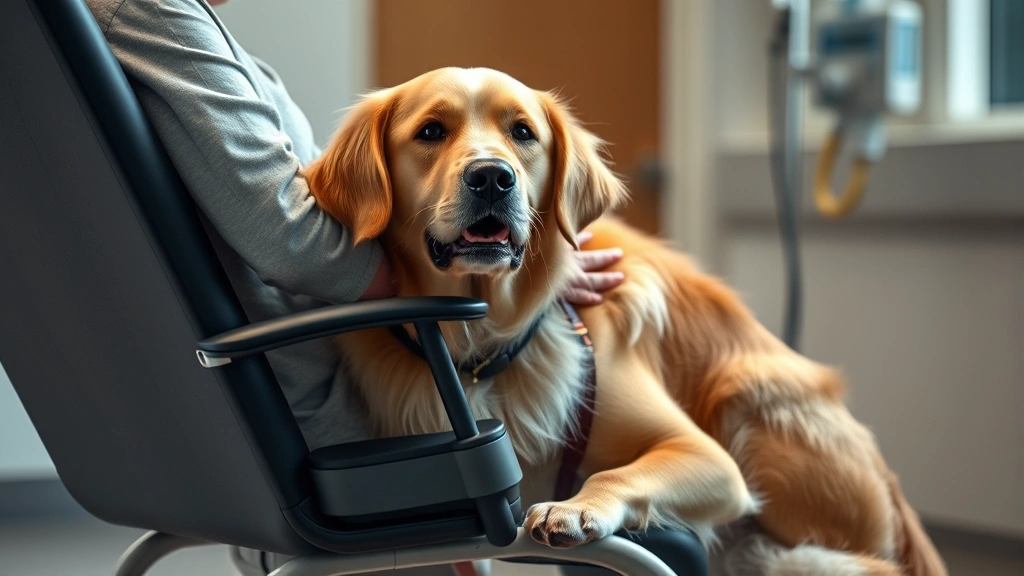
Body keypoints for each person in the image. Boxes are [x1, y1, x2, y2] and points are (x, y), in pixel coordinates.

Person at [84, 0, 626, 573]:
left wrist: (532, 260)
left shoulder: (167, 31)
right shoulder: (149, 12)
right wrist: (466, 269)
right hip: (332, 417)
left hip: (263, 399)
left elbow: (314, 213)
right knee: (656, 525)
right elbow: (288, 235)